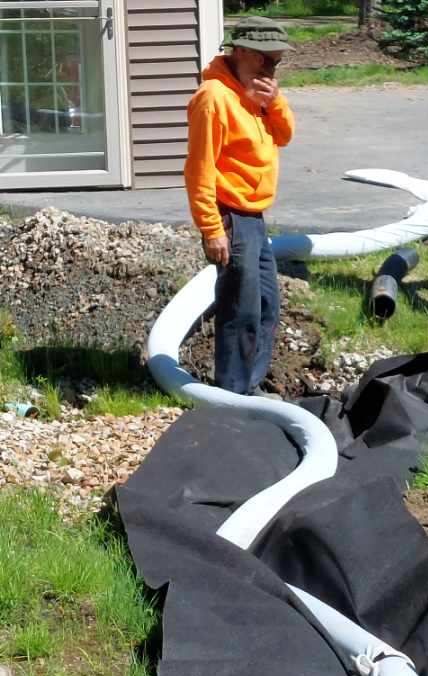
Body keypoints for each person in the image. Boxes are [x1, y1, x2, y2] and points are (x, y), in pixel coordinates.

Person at [184, 17, 295, 395]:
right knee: (240, 309)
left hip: (254, 217)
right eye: (266, 60)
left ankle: (249, 386)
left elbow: (285, 135)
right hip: (230, 214)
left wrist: (273, 102)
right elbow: (199, 169)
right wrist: (212, 229)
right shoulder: (213, 99)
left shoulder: (254, 93)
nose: (271, 70)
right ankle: (231, 393)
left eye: (277, 63)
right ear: (242, 51)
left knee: (265, 305)